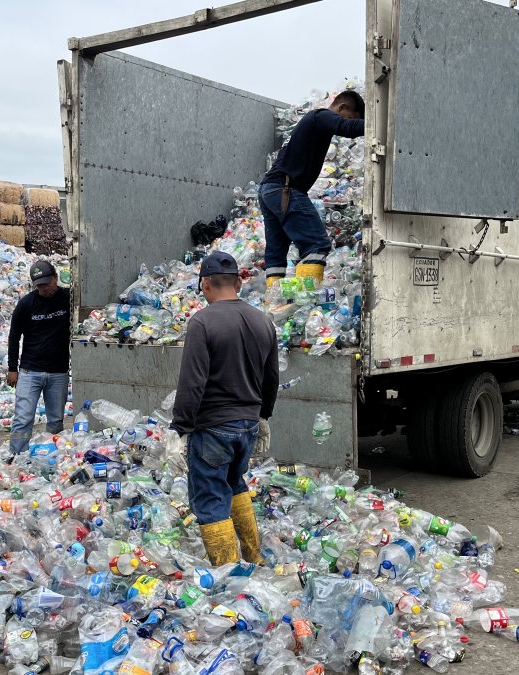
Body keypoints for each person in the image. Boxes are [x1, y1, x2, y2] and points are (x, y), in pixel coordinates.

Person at [172, 251, 279, 564]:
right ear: (239, 284)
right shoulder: (263, 321)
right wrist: (263, 416)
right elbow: (271, 378)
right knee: (234, 483)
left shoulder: (202, 322)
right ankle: (254, 556)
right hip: (247, 425)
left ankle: (230, 575)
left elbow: (192, 383)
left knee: (210, 496)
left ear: (205, 284)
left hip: (213, 428)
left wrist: (179, 428)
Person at [259, 90, 365, 286]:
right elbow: (346, 127)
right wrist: (380, 123)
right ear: (341, 108)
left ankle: (274, 302)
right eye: (351, 116)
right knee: (317, 243)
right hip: (285, 189)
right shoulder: (320, 116)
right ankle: (305, 298)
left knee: (276, 255)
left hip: (269, 190)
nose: (349, 122)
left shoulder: (313, 123)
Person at [6, 260, 71, 455]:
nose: (44, 288)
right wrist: (12, 369)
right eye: (39, 285)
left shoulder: (68, 298)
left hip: (58, 372)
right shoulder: (26, 304)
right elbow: (14, 337)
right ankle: (17, 455)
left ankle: (53, 455)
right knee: (23, 419)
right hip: (29, 371)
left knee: (55, 420)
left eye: (47, 283)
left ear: (56, 278)